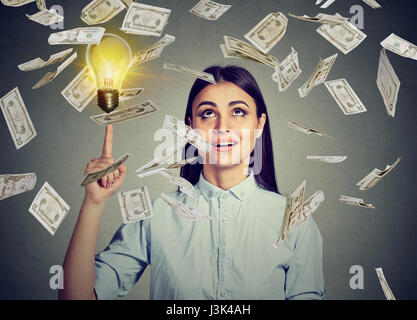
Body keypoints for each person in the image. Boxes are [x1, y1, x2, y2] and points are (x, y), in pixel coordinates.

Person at [59, 65, 325, 300]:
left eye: (239, 111)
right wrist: (93, 204)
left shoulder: (295, 222)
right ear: (190, 128)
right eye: (208, 114)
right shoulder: (156, 217)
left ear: (259, 124)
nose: (223, 125)